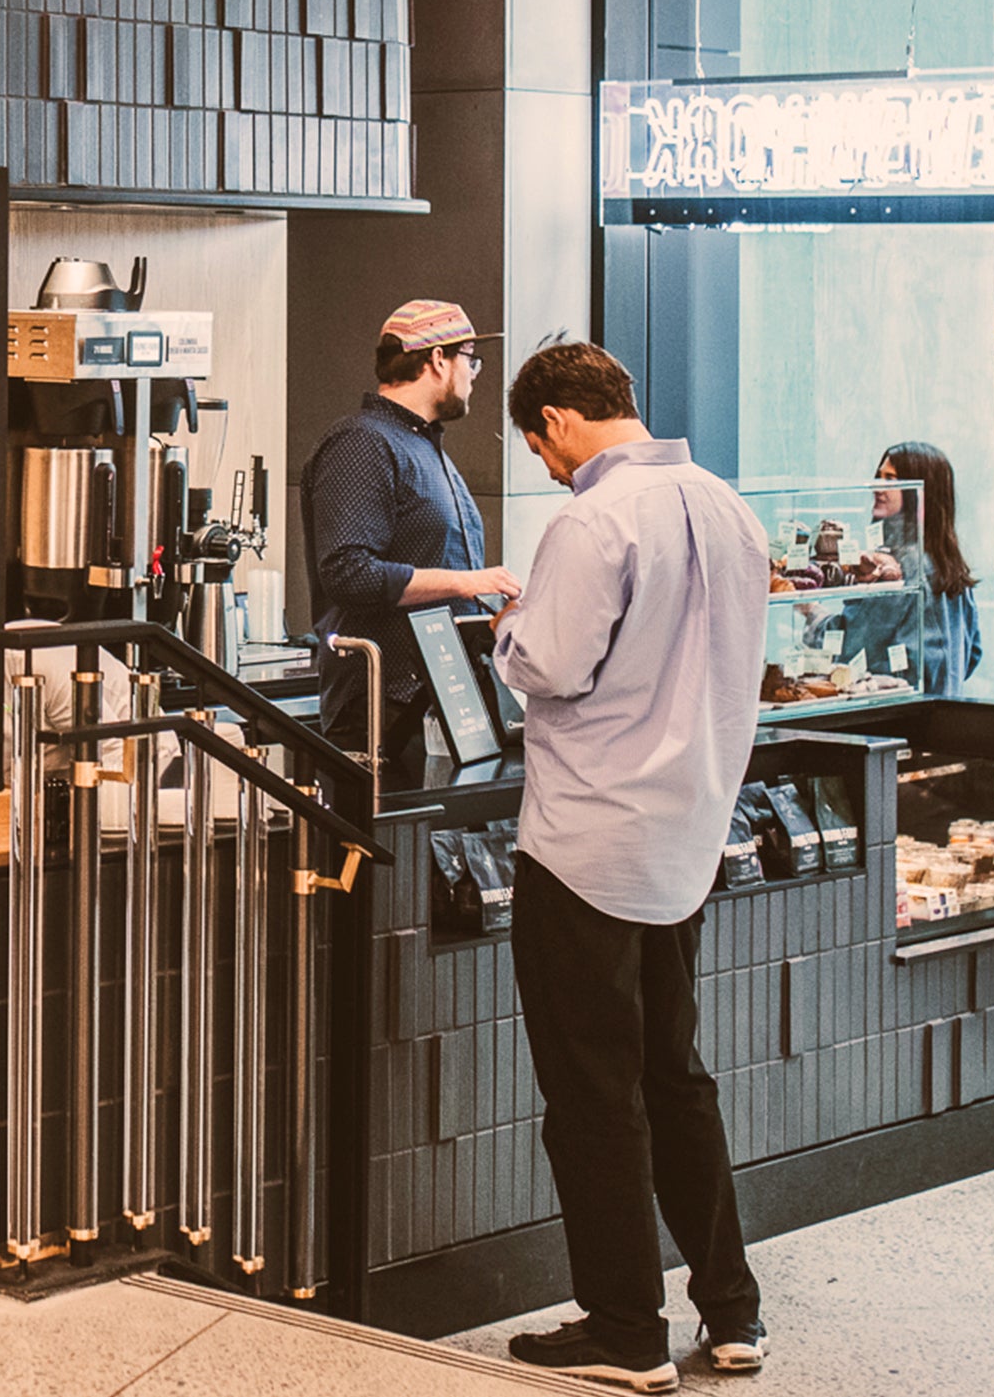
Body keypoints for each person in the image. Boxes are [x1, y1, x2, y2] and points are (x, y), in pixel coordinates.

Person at [486, 342, 768, 1392]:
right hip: (685, 834)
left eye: (539, 447)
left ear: (557, 421)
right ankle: (730, 1314)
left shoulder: (592, 521)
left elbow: (550, 664)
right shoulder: (729, 508)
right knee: (677, 1077)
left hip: (585, 842)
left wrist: (507, 633)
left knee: (593, 1095)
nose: (548, 469)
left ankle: (625, 1331)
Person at [300, 300, 519, 788]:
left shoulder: (420, 445)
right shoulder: (362, 442)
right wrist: (467, 583)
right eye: (470, 359)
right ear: (437, 359)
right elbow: (348, 573)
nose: (473, 374)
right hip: (383, 710)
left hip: (435, 701)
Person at [873, 441, 982, 696]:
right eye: (879, 476)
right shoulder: (946, 561)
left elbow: (858, 643)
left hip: (899, 715)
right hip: (942, 708)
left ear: (920, 492)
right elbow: (973, 651)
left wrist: (812, 612)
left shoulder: (902, 564)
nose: (878, 487)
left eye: (892, 479)